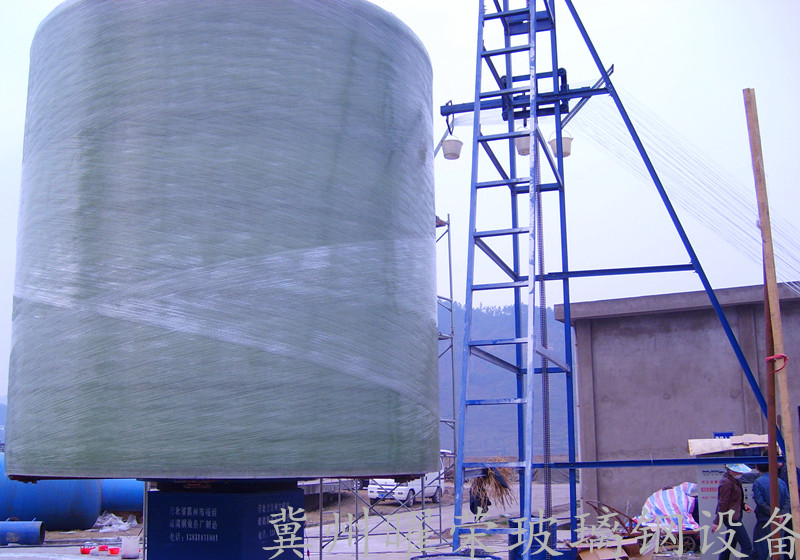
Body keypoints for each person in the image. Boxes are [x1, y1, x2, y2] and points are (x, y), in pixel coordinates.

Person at [712, 463, 754, 560]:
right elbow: (723, 503)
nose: (741, 473)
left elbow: (733, 499)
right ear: (733, 470)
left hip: (733, 516)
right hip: (732, 518)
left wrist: (743, 505)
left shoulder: (732, 480)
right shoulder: (727, 482)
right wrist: (717, 521)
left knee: (729, 545)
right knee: (747, 546)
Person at [752, 462, 790, 560]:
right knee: (778, 550)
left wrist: (774, 514)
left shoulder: (758, 482)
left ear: (757, 467)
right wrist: (781, 515)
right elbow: (787, 500)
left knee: (761, 550)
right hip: (780, 521)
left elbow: (760, 502)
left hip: (765, 521)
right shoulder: (781, 482)